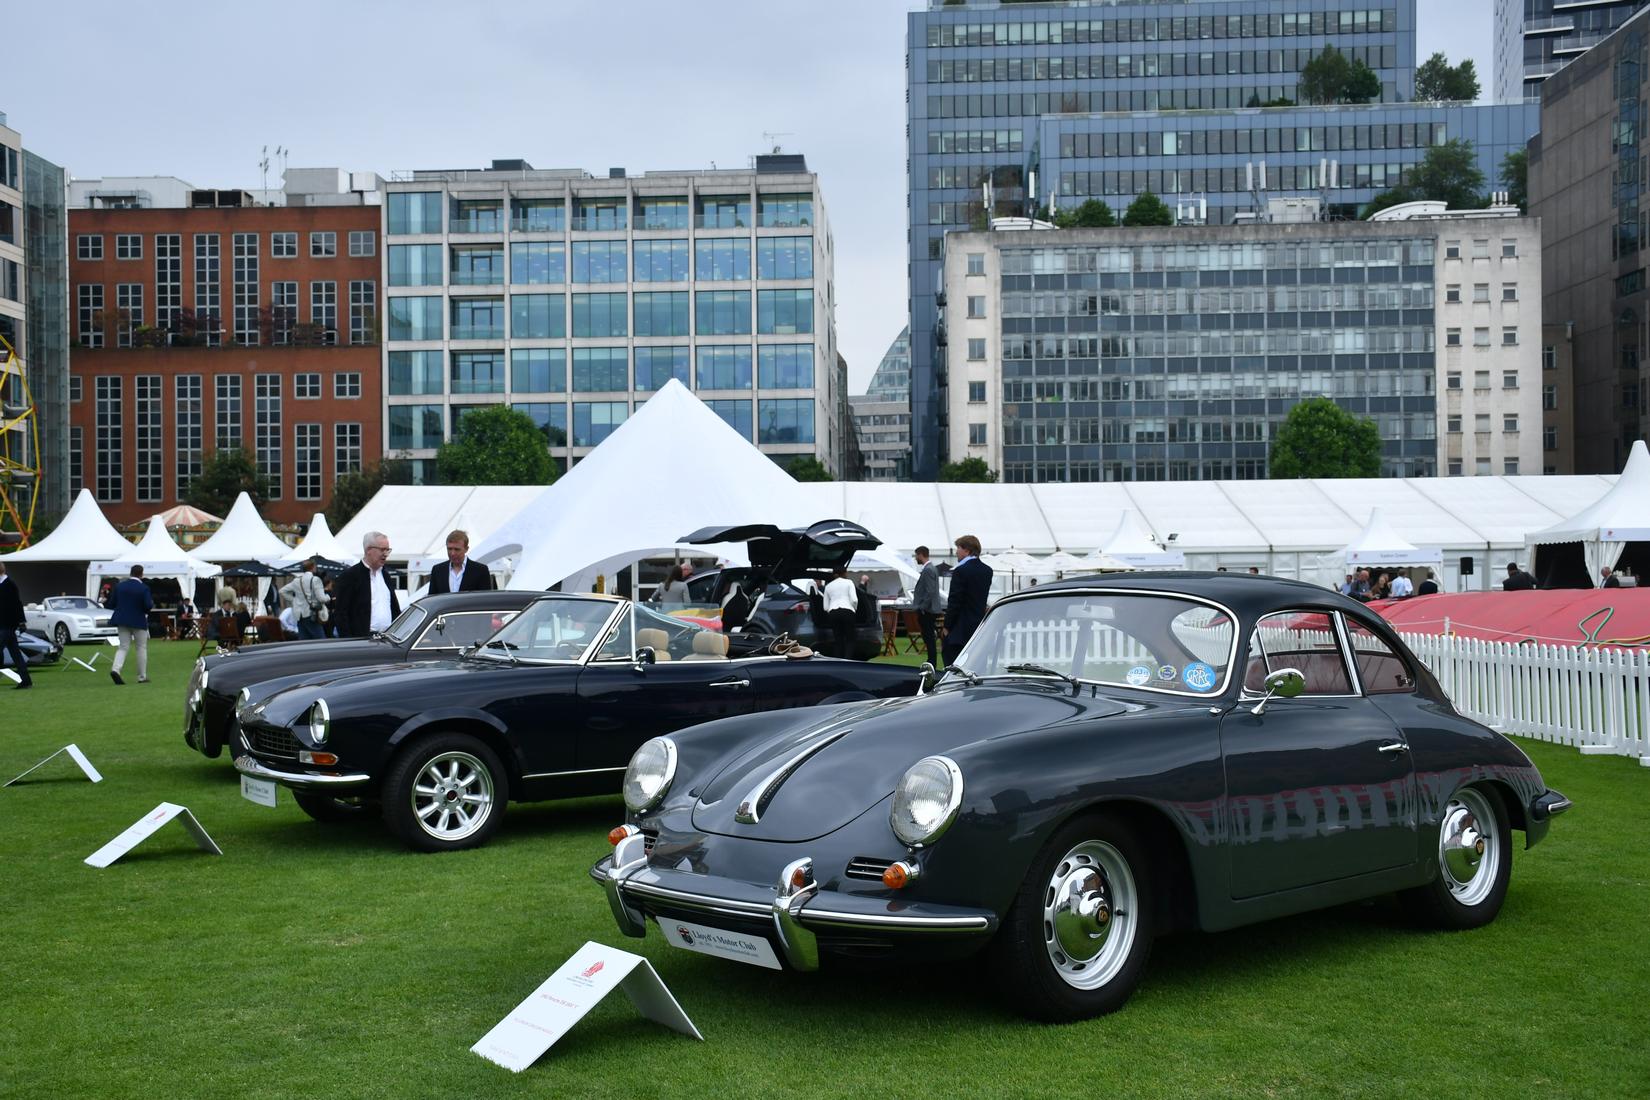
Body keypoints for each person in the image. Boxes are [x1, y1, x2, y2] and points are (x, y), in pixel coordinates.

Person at [333, 531, 401, 638]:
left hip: (388, 639)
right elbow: (340, 614)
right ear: (369, 550)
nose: (385, 554)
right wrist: (349, 643)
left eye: (388, 550)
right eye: (382, 549)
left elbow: (394, 608)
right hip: (362, 642)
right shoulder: (350, 576)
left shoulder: (385, 575)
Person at [942, 535, 993, 667]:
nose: (956, 552)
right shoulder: (987, 571)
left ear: (967, 550)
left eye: (958, 548)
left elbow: (955, 601)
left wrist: (947, 626)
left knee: (953, 665)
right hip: (978, 626)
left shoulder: (961, 571)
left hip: (960, 628)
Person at [107, 564, 155, 685]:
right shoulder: (143, 588)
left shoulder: (120, 586)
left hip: (122, 620)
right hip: (138, 620)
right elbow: (147, 606)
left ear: (131, 573)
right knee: (141, 648)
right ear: (142, 574)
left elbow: (111, 603)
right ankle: (142, 676)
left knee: (123, 647)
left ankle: (116, 669)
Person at [426, 529, 493, 594]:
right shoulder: (437, 570)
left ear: (466, 549)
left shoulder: (480, 570)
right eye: (449, 549)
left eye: (457, 549)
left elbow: (484, 600)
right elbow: (432, 599)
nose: (452, 553)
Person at [0, 562, 33, 689]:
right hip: (3, 624)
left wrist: (21, 621)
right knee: (15, 653)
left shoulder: (9, 584)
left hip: (8, 624)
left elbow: (17, 604)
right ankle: (26, 680)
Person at [278, 559, 330, 641]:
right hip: (311, 613)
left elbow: (282, 591)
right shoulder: (315, 580)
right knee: (321, 640)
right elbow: (322, 598)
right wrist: (328, 596)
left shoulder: (296, 580)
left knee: (304, 641)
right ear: (313, 567)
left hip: (299, 615)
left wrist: (294, 600)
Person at [912, 545, 943, 669]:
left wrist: (922, 607)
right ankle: (931, 661)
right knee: (929, 637)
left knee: (929, 638)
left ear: (921, 554)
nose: (915, 558)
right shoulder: (931, 569)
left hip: (927, 610)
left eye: (916, 555)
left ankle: (932, 662)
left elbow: (930, 591)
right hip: (929, 609)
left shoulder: (928, 570)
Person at [822, 566, 859, 660]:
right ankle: (848, 659)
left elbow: (825, 606)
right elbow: (854, 600)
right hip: (847, 610)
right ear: (844, 573)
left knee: (838, 639)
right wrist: (854, 609)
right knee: (850, 638)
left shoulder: (828, 586)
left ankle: (838, 659)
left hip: (833, 612)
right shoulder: (849, 582)